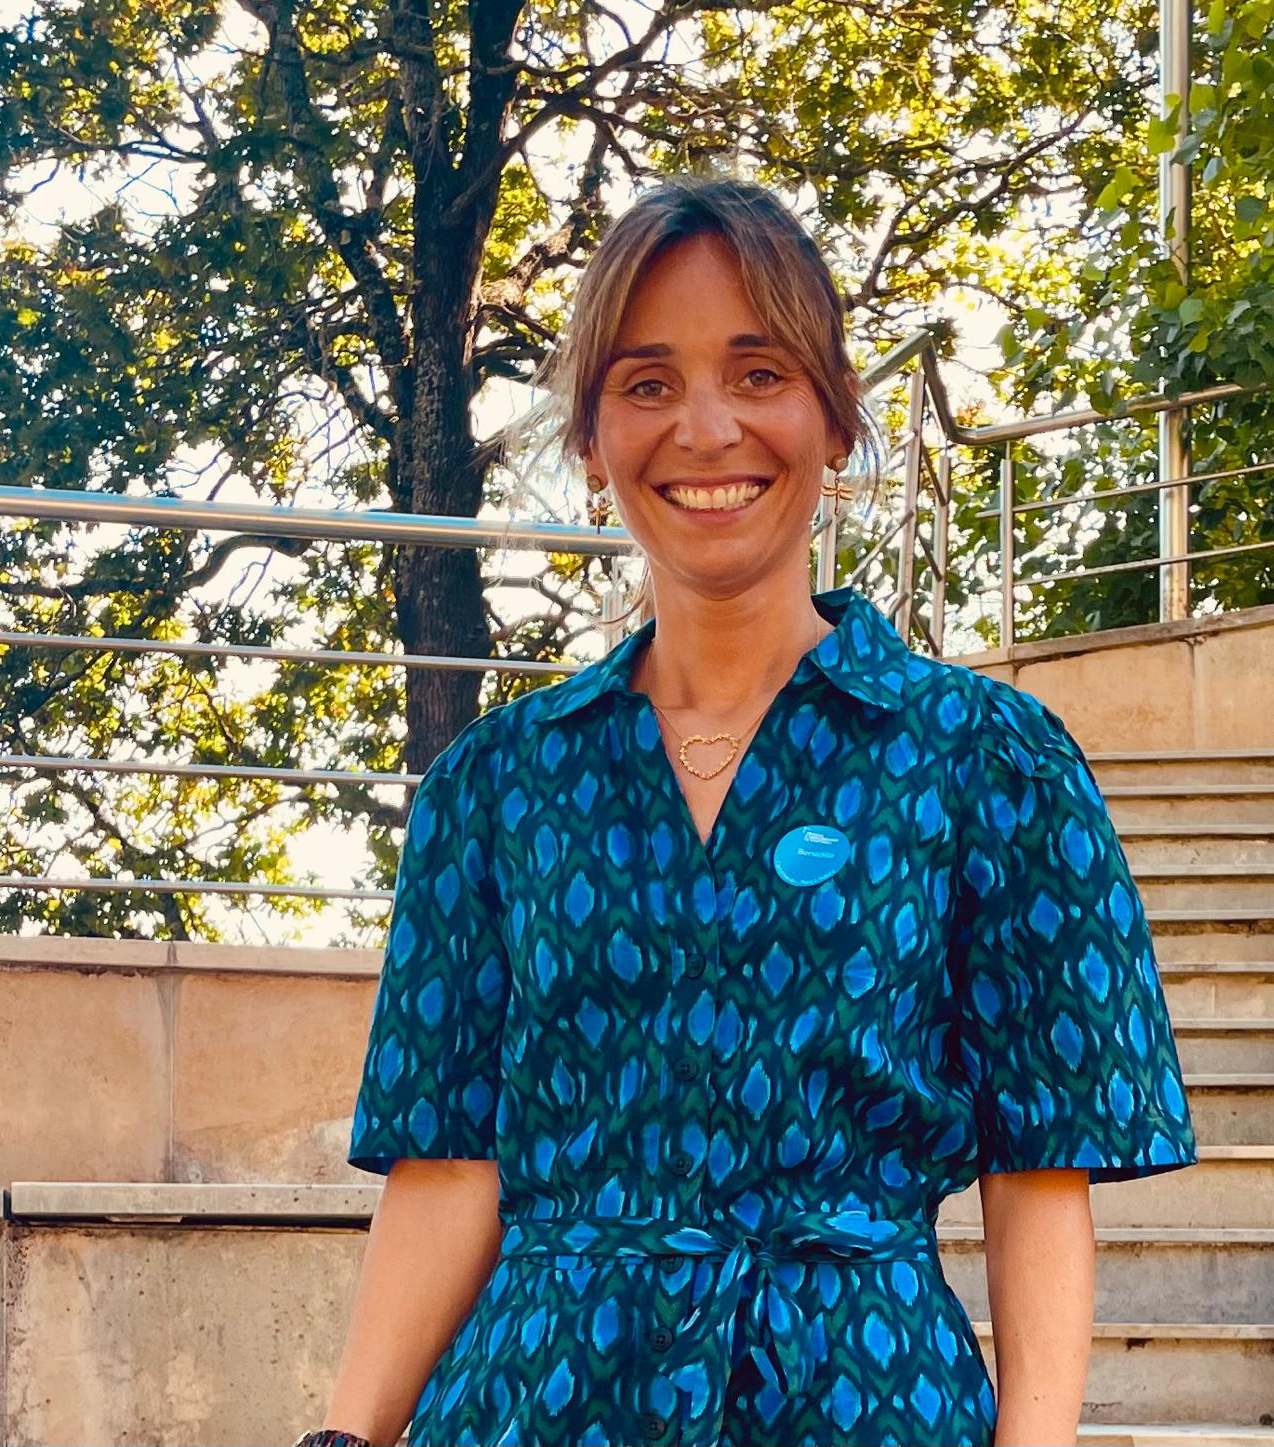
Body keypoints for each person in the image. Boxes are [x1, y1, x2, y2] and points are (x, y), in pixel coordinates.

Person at [306, 175, 1199, 1447]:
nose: (707, 428)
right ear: (591, 435)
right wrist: (345, 1437)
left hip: (863, 1399)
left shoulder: (988, 760)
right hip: (539, 1403)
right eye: (647, 382)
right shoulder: (495, 786)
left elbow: (1037, 1172)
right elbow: (448, 1167)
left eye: (760, 372)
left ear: (835, 420)